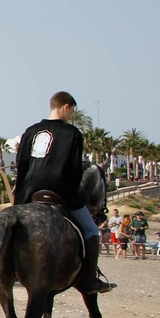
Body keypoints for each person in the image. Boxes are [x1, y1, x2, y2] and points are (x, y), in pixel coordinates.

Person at [12, 91, 113, 293]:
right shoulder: (72, 133)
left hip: (29, 190)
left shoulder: (30, 131)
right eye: (71, 111)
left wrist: (21, 193)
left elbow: (21, 163)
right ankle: (89, 279)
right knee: (91, 230)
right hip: (60, 189)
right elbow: (74, 169)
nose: (71, 116)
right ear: (66, 107)